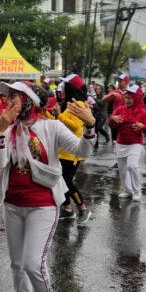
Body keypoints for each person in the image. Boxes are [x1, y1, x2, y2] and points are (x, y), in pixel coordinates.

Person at [0, 81, 96, 292]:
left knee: (32, 263)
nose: (9, 101)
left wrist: (90, 125)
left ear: (29, 100)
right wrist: (0, 131)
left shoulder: (51, 127)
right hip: (12, 205)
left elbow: (83, 151)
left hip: (43, 205)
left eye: (15, 96)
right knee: (17, 264)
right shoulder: (7, 126)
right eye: (9, 97)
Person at [55, 73, 93, 224]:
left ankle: (83, 208)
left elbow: (76, 126)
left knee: (67, 181)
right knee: (60, 180)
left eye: (65, 86)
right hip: (63, 150)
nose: (62, 89)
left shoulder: (80, 105)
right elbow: (61, 123)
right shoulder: (70, 104)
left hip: (73, 152)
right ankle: (68, 208)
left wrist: (59, 116)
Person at [109, 84, 146, 201]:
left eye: (130, 98)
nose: (127, 100)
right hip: (120, 142)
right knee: (122, 170)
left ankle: (137, 191)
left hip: (135, 143)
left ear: (137, 98)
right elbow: (111, 125)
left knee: (132, 166)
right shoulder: (119, 109)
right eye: (126, 97)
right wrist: (113, 119)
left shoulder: (143, 112)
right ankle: (128, 190)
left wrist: (142, 126)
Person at [91, 84, 110, 148]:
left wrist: (94, 100)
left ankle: (106, 135)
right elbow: (94, 106)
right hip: (96, 115)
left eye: (99, 89)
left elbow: (101, 103)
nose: (97, 90)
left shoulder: (104, 96)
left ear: (101, 90)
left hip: (102, 115)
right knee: (95, 130)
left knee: (98, 128)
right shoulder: (95, 96)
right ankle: (96, 144)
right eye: (96, 89)